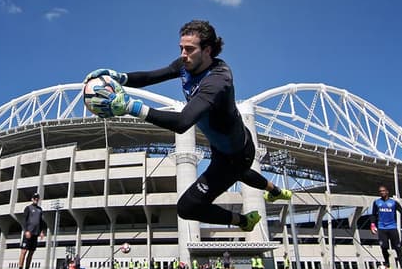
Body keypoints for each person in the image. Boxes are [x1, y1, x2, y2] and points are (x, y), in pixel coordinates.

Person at [85, 20, 292, 232]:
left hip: (237, 154)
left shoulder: (217, 81)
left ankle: (244, 221)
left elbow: (183, 122)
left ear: (207, 50)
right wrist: (120, 77)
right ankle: (275, 191)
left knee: (187, 207)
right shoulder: (187, 64)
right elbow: (150, 76)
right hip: (223, 147)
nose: (183, 54)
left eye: (190, 49)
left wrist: (132, 108)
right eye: (181, 48)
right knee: (238, 173)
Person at [370, 185, 402, 269]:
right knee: (384, 247)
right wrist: (372, 225)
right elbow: (373, 215)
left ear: (387, 192)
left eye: (383, 191)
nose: (381, 192)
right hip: (382, 228)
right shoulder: (376, 202)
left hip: (392, 228)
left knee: (398, 248)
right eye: (380, 191)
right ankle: (387, 266)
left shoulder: (394, 203)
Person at [18, 193, 46, 269]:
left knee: (31, 252)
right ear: (32, 199)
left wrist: (41, 232)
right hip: (28, 233)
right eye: (35, 198)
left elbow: (40, 222)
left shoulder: (40, 209)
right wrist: (26, 230)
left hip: (35, 233)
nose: (36, 199)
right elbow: (24, 220)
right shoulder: (28, 208)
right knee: (24, 251)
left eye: (37, 198)